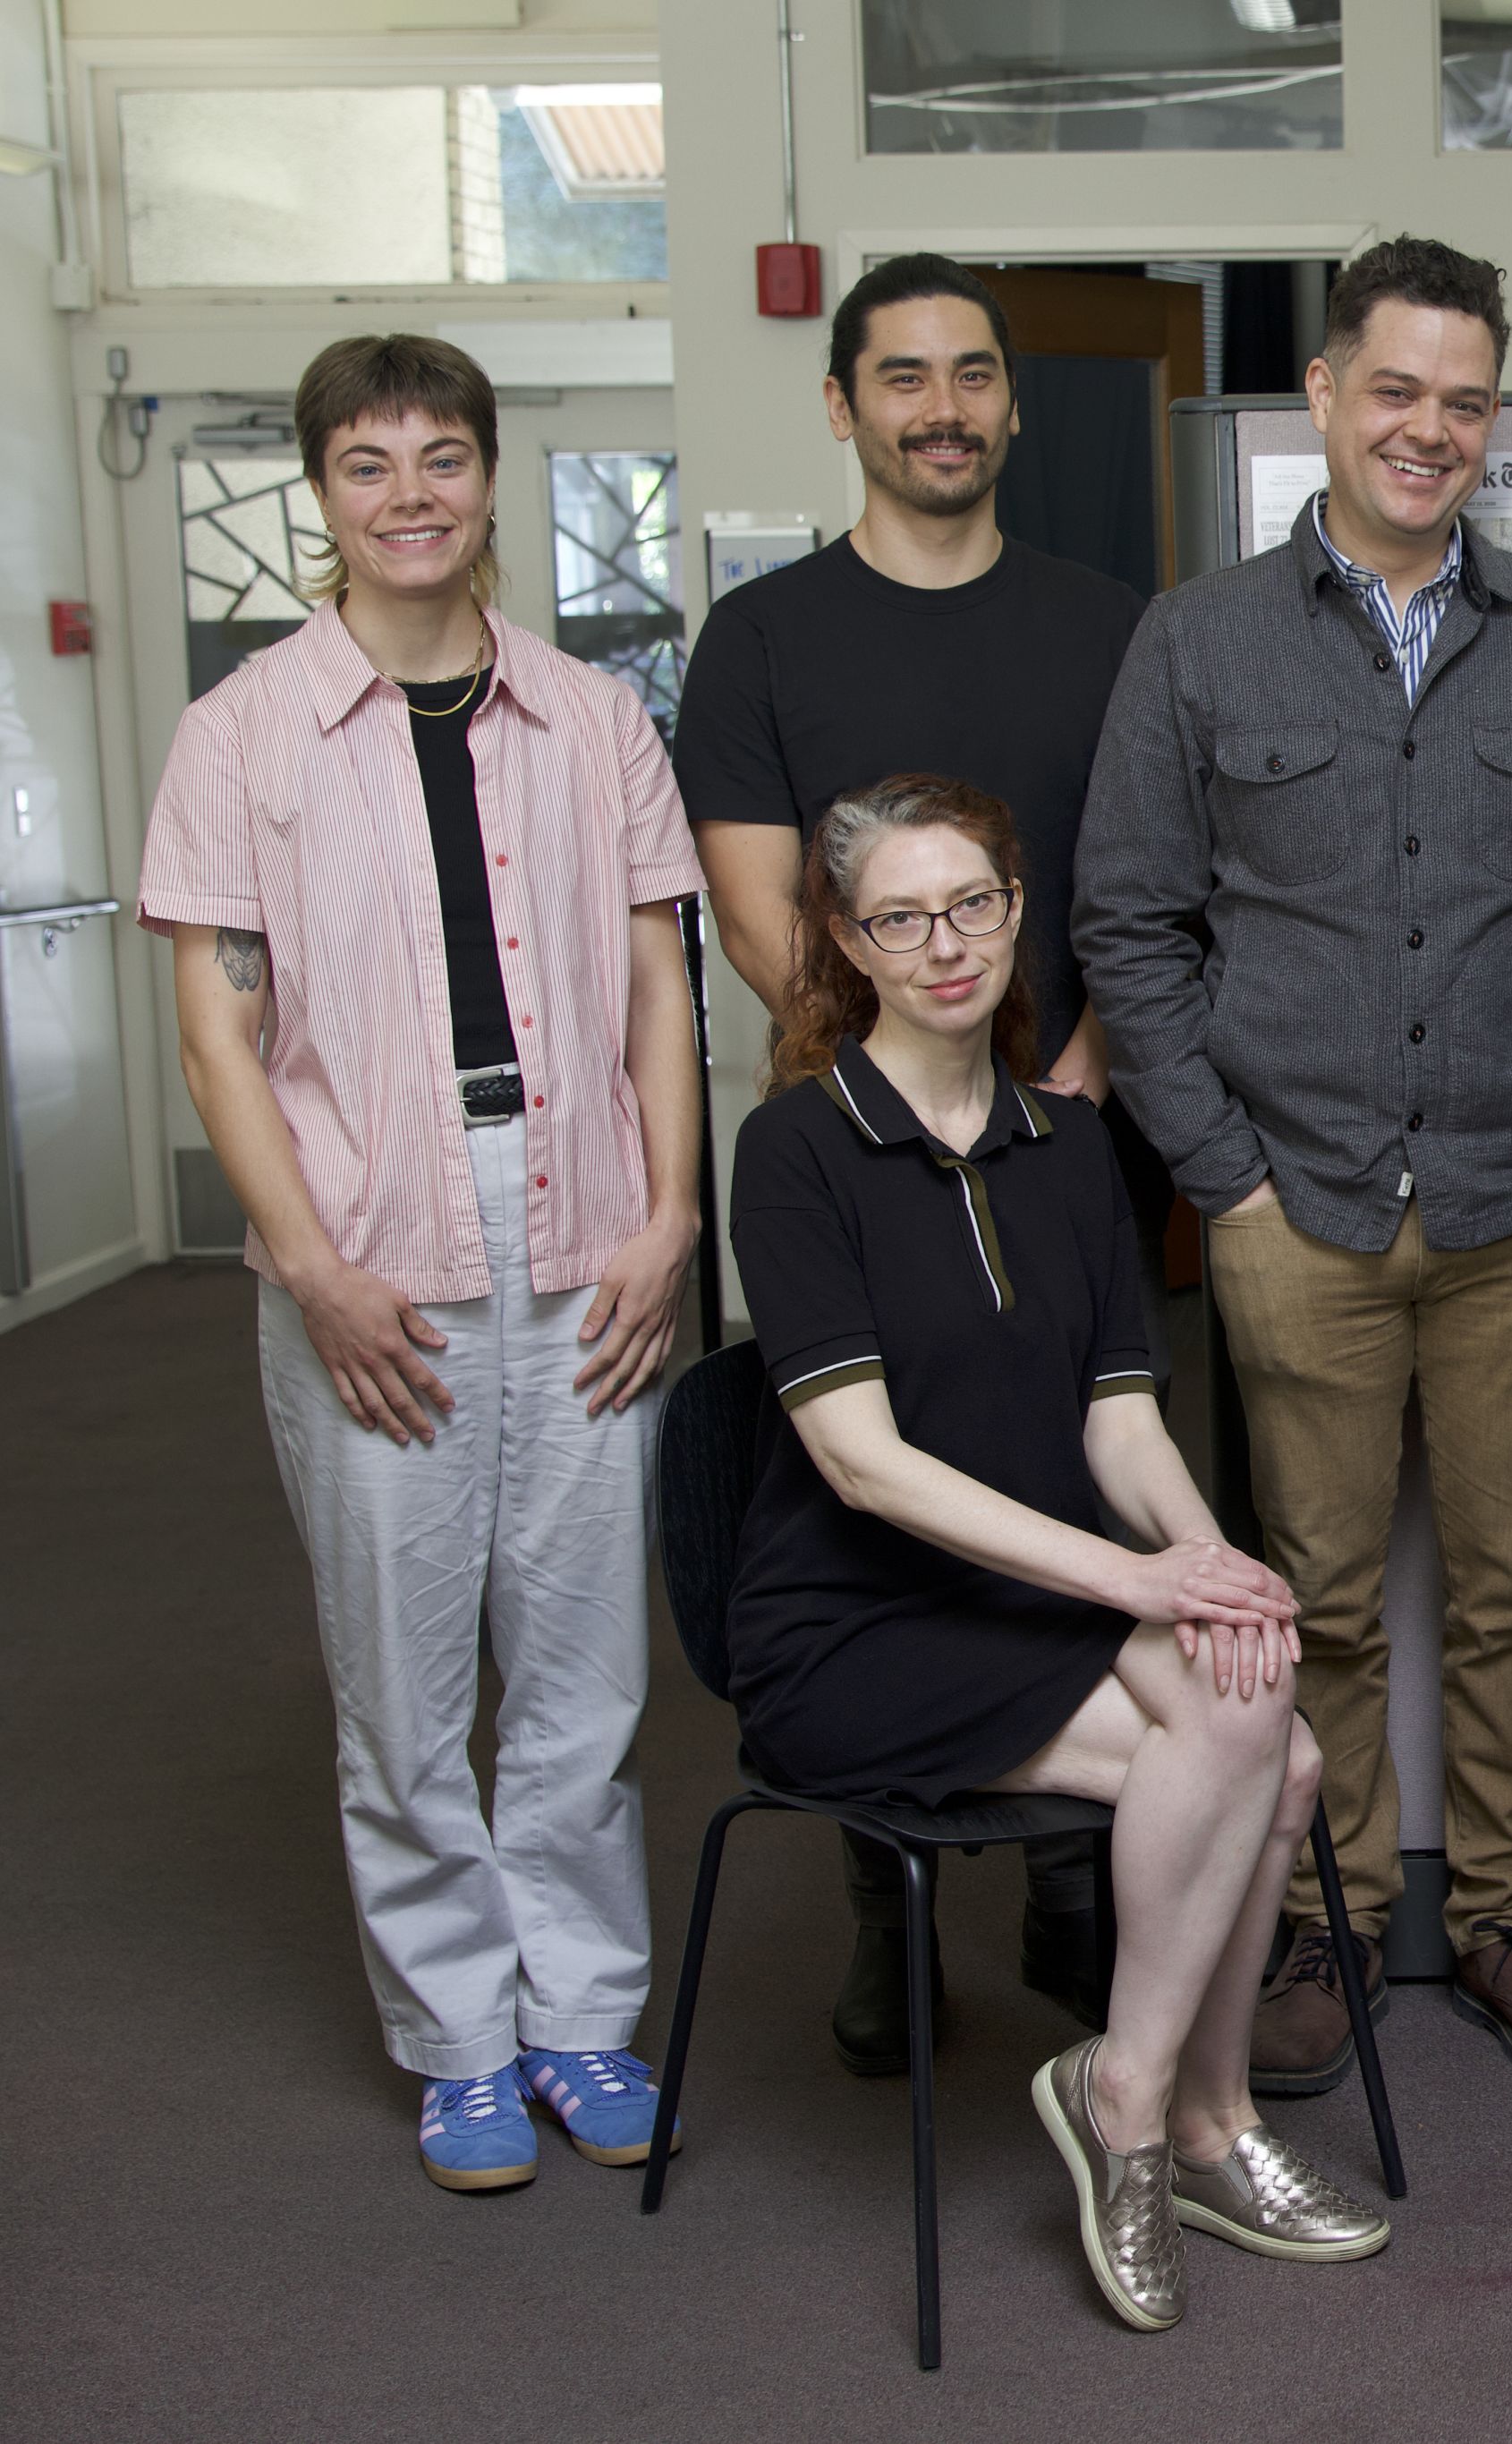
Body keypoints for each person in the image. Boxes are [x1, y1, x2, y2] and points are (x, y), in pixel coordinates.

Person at [1076, 235, 1512, 2093]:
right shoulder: (1198, 638)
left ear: (1493, 422)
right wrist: (1222, 1183)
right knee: (1308, 1598)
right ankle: (1320, 1925)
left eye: (1464, 400)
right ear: (1323, 396)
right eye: (1393, 389)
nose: (1428, 429)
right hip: (1291, 1207)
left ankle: (1504, 1920)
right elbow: (1129, 924)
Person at [138, 334, 703, 2192]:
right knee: (400, 1677)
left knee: (583, 1665)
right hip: (363, 1224)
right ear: (323, 492)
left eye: (443, 458)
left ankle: (579, 2019)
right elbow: (220, 1030)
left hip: (583, 1210)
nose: (410, 495)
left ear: (484, 479)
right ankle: (460, 2037)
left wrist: (671, 1221)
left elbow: (653, 990)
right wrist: (306, 1264)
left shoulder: (595, 717)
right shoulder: (242, 732)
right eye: (369, 464)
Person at [726, 775, 1384, 2333]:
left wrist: (1209, 1564)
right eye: (900, 915)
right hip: (851, 1628)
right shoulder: (794, 1150)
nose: (943, 943)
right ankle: (1156, 2115)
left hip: (1035, 1601)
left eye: (973, 904)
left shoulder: (1067, 1146)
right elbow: (860, 1465)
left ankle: (1164, 2097)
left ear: (1019, 912)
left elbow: (1119, 1424)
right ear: (846, 937)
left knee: (1267, 1734)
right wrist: (1140, 1585)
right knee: (1264, 1761)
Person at [679, 248, 1154, 2079]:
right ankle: (885, 1894)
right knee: (881, 1499)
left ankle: (1070, 1884)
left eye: (971, 375)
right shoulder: (766, 639)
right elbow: (753, 913)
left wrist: (1070, 1107)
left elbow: (1132, 897)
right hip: (861, 1139)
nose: (940, 407)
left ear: (1011, 403)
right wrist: (899, 1082)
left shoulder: (1110, 623)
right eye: (902, 377)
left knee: (1079, 1469)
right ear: (842, 405)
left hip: (1070, 1134)